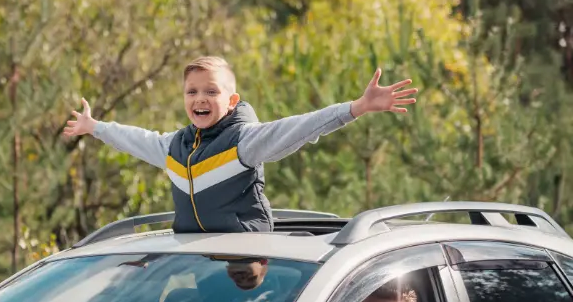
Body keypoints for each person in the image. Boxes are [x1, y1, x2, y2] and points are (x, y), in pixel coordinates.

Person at [63, 56, 418, 233]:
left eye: (211, 92)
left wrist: (355, 108)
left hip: (247, 265)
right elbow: (137, 140)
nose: (200, 99)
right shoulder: (176, 147)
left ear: (232, 101)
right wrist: (95, 127)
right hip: (199, 260)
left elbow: (298, 128)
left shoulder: (243, 142)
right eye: (192, 91)